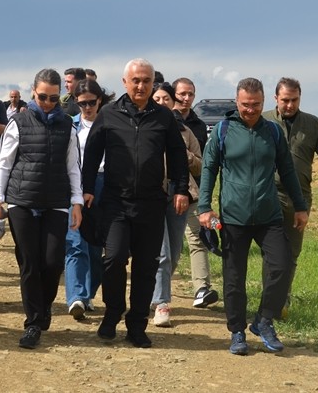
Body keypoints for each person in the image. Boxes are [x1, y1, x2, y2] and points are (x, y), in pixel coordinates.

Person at [197, 78, 309, 356]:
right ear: (237, 102)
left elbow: (287, 170)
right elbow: (209, 169)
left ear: (264, 102)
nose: (250, 110)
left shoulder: (272, 131)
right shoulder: (223, 131)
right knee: (234, 277)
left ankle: (263, 320)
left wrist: (300, 205)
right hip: (234, 217)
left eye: (256, 105)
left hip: (268, 214)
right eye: (246, 105)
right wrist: (204, 208)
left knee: (282, 265)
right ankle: (237, 331)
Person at [82, 59, 189, 348]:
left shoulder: (164, 117)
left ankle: (137, 324)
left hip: (152, 203)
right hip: (116, 202)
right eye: (136, 81)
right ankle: (112, 313)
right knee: (114, 258)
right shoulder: (108, 114)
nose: (141, 86)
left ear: (153, 82)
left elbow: (178, 156)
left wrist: (181, 190)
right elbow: (91, 154)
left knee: (145, 266)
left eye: (146, 80)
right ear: (125, 82)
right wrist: (87, 188)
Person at [0, 69, 83, 349]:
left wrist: (77, 202)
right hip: (22, 201)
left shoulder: (68, 126)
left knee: (53, 262)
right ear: (33, 92)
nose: (47, 103)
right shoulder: (18, 122)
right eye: (43, 97)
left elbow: (73, 167)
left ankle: (43, 308)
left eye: (54, 98)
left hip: (56, 201)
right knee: (30, 262)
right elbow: (3, 164)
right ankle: (33, 322)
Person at [270, 77, 318, 303]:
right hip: (267, 194)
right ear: (276, 98)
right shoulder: (263, 121)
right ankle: (272, 299)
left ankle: (282, 298)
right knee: (272, 251)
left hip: (299, 198)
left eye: (294, 100)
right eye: (285, 100)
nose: (290, 105)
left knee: (291, 252)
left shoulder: (312, 124)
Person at [150, 83, 202, 328]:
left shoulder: (185, 131)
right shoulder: (145, 128)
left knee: (174, 251)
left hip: (180, 193)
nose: (161, 102)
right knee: (162, 253)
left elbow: (200, 165)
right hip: (152, 194)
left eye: (165, 98)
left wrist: (185, 155)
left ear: (173, 102)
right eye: (157, 98)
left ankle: (154, 289)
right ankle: (162, 303)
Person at [171, 77, 219, 309]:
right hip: (163, 192)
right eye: (182, 94)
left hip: (192, 191)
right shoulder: (160, 120)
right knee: (168, 246)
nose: (186, 98)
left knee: (197, 239)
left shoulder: (199, 127)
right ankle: (157, 290)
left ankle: (202, 288)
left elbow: (203, 163)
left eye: (190, 94)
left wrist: (205, 198)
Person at [63, 78, 107, 321]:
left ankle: (88, 294)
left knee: (95, 247)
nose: (87, 107)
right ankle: (76, 297)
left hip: (104, 185)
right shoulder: (70, 126)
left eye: (91, 102)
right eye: (82, 104)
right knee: (75, 242)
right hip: (76, 185)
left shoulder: (110, 124)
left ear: (99, 100)